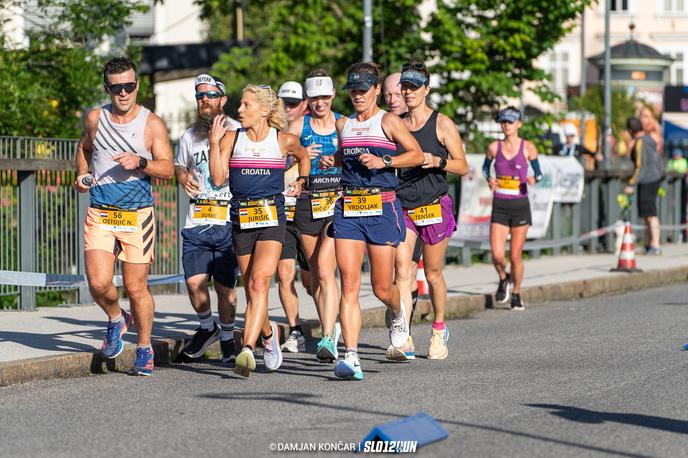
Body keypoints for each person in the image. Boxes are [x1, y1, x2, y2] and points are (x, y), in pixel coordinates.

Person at [320, 62, 423, 380]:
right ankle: (351, 357)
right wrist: (332, 161)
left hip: (381, 208)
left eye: (363, 90)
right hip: (349, 208)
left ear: (376, 89)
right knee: (349, 284)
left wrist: (385, 160)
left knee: (381, 288)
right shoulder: (344, 125)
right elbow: (344, 155)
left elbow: (416, 155)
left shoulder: (388, 121)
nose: (357, 96)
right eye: (352, 91)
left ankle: (397, 312)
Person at [74, 56, 173, 376]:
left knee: (135, 286)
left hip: (136, 216)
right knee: (99, 283)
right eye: (117, 88)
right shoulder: (95, 118)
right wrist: (82, 174)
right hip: (101, 211)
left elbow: (168, 168)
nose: (124, 93)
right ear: (108, 88)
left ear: (137, 85)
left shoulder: (151, 123)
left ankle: (144, 348)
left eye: (129, 86)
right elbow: (84, 148)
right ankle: (117, 319)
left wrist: (141, 163)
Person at [210, 84, 309, 377]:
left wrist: (302, 181)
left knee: (259, 283)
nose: (240, 110)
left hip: (271, 218)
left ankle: (247, 349)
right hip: (242, 220)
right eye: (240, 105)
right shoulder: (231, 138)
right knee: (254, 290)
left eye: (247, 105)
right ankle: (269, 335)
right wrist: (215, 143)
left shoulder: (283, 141)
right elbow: (217, 178)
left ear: (264, 111)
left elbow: (304, 157)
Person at [391, 61, 468, 361]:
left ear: (426, 89)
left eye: (414, 87)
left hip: (434, 205)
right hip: (404, 205)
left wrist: (438, 162)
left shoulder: (442, 124)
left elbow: (462, 165)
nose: (408, 92)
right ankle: (404, 335)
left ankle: (438, 330)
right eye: (405, 87)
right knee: (402, 269)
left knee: (433, 273)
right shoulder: (395, 122)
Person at [175, 74, 240, 364]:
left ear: (223, 100)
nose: (205, 100)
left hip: (227, 219)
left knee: (226, 289)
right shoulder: (188, 136)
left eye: (211, 95)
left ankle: (227, 339)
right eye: (200, 95)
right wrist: (183, 175)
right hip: (197, 219)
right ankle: (207, 327)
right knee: (194, 284)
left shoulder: (239, 132)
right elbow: (179, 165)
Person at [288, 69, 342, 362]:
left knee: (324, 268)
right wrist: (301, 155)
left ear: (333, 95)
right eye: (314, 98)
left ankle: (329, 335)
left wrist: (338, 161)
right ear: (307, 99)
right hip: (309, 205)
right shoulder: (299, 125)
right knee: (314, 281)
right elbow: (278, 156)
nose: (320, 103)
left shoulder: (343, 124)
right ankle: (329, 330)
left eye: (324, 97)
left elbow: (358, 158)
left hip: (337, 203)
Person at [483, 107, 542, 311]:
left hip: (520, 206)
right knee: (497, 255)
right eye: (503, 122)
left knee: (515, 256)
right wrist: (490, 179)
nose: (506, 125)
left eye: (510, 122)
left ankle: (516, 293)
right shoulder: (493, 147)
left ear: (519, 124)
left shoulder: (528, 147)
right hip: (500, 204)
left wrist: (533, 179)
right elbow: (485, 169)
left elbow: (539, 174)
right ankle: (503, 277)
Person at [383, 72, 423, 328]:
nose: (394, 98)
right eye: (388, 94)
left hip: (411, 204)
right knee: (388, 274)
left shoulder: (416, 125)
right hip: (382, 205)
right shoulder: (379, 123)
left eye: (398, 93)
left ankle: (403, 325)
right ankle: (400, 300)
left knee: (404, 268)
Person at [276, 81, 313, 354]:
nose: (287, 108)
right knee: (285, 274)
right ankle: (295, 330)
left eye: (293, 103)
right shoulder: (271, 133)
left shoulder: (316, 130)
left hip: (311, 213)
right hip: (282, 213)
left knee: (314, 282)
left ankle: (329, 325)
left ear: (305, 104)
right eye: (283, 102)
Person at [625, 116, 664, 255]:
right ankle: (650, 243)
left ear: (630, 130)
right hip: (654, 178)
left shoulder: (641, 142)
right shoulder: (650, 140)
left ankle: (655, 244)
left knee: (651, 213)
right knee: (648, 213)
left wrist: (631, 183)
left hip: (647, 180)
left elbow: (640, 165)